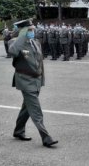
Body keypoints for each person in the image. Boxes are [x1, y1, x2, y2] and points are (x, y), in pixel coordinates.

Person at [8, 19, 58, 147]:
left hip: (36, 80)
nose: (32, 32)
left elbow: (40, 63)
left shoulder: (35, 42)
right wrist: (21, 35)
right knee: (36, 110)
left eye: (32, 29)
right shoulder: (14, 42)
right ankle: (46, 137)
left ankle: (18, 131)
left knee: (27, 108)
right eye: (29, 30)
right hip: (25, 81)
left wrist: (42, 79)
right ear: (23, 31)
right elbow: (12, 52)